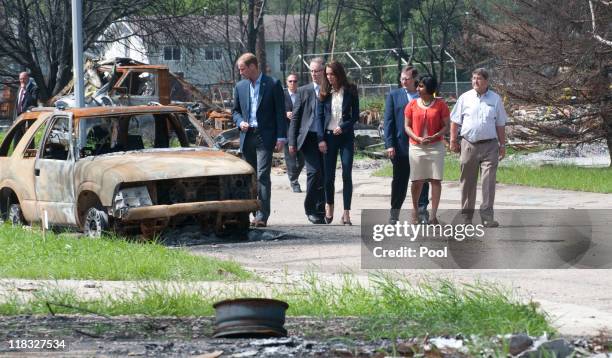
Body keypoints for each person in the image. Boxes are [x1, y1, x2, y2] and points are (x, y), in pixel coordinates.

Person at [232, 53, 287, 227]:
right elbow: (235, 111)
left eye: (242, 69)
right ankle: (249, 213)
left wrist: (281, 137)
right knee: (250, 176)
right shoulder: (240, 87)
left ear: (253, 67)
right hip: (247, 135)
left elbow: (280, 112)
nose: (240, 73)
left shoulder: (273, 84)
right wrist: (240, 122)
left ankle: (262, 215)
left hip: (265, 136)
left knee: (263, 175)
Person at [450, 68, 507, 227]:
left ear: (486, 81)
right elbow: (455, 121)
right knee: (467, 182)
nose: (476, 81)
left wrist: (502, 145)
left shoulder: (495, 99)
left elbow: (500, 124)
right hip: (469, 144)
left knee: (488, 182)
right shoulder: (465, 98)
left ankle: (487, 217)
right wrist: (453, 140)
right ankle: (466, 218)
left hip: (490, 146)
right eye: (474, 78)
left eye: (479, 78)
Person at [383, 66, 430, 224]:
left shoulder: (423, 95)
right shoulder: (394, 96)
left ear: (415, 80)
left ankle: (422, 212)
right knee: (399, 181)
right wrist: (390, 144)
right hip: (401, 147)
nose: (403, 81)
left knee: (422, 179)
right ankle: (394, 213)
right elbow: (388, 122)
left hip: (421, 145)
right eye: (402, 78)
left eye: (407, 79)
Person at [317, 61, 359, 225]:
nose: (329, 77)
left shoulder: (350, 90)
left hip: (345, 137)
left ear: (339, 74)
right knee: (329, 177)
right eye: (327, 74)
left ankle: (346, 212)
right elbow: (319, 118)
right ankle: (329, 207)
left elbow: (355, 115)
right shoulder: (324, 92)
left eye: (332, 74)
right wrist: (321, 139)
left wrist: (343, 126)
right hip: (328, 138)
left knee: (346, 173)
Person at [404, 75, 450, 225]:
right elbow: (407, 126)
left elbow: (446, 126)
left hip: (435, 147)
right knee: (417, 181)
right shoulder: (411, 105)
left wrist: (436, 135)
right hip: (416, 147)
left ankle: (433, 216)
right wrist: (417, 138)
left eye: (421, 86)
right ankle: (415, 211)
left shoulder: (441, 105)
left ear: (430, 89)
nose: (418, 88)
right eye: (418, 86)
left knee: (435, 180)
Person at [288, 57, 327, 224]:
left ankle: (320, 210)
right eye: (311, 71)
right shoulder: (304, 91)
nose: (313, 74)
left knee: (324, 175)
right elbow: (295, 118)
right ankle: (310, 208)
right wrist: (292, 141)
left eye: (317, 71)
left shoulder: (330, 90)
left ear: (324, 71)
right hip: (308, 138)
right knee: (313, 172)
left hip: (326, 137)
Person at [283, 73, 305, 193]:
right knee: (291, 158)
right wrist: (285, 113)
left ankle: (293, 177)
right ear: (287, 83)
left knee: (302, 160)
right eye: (290, 81)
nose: (293, 83)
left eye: (295, 81)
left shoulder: (302, 94)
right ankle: (294, 183)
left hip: (300, 131)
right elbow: (275, 110)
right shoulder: (282, 95)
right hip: (287, 131)